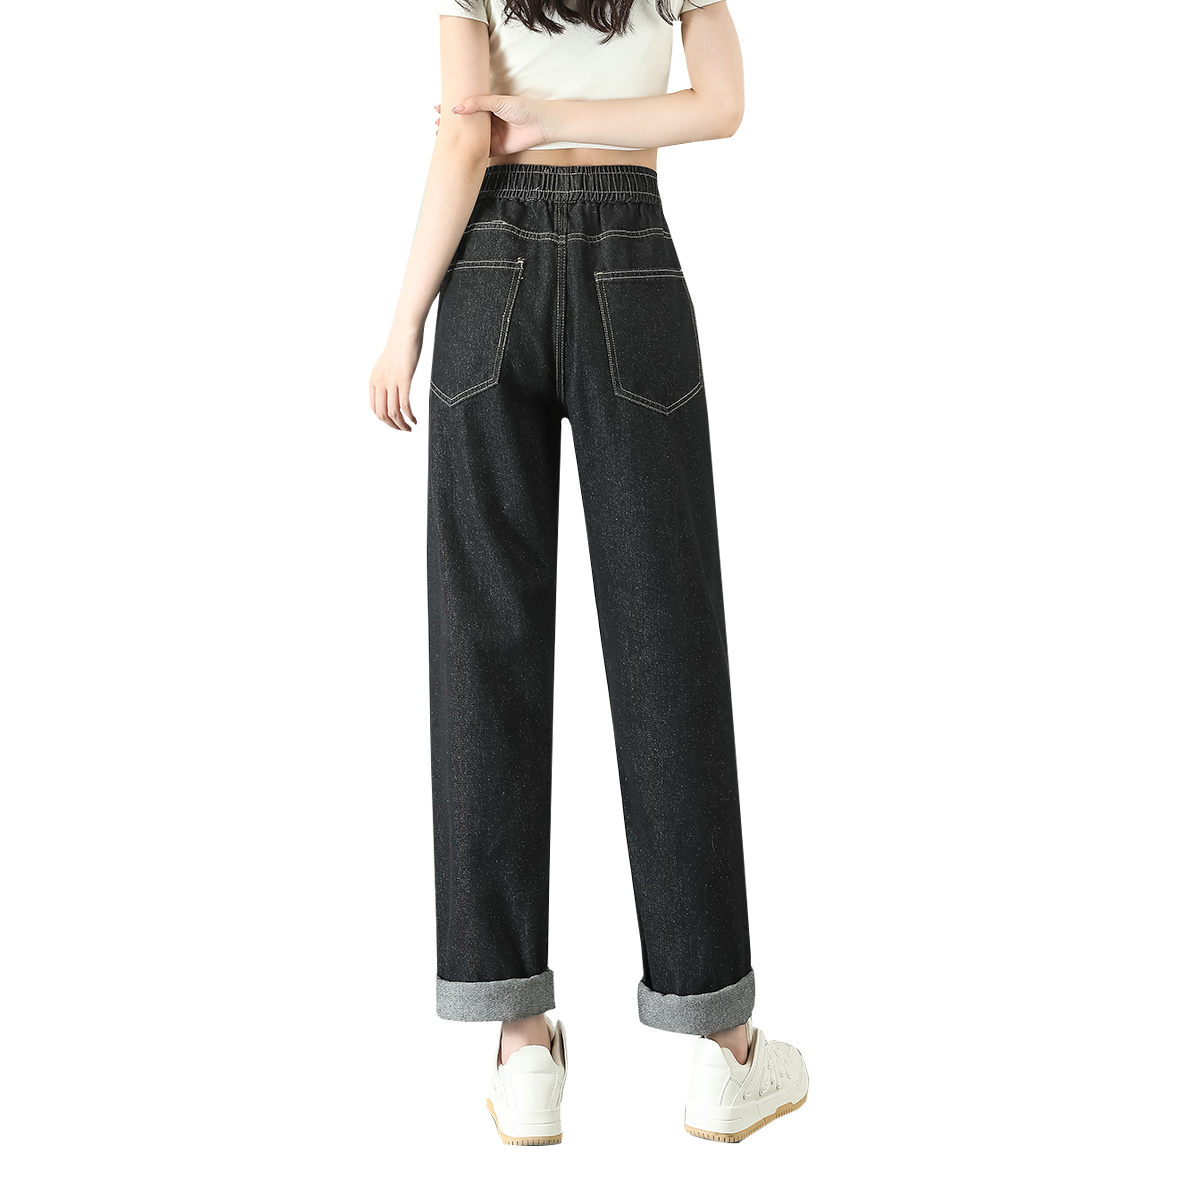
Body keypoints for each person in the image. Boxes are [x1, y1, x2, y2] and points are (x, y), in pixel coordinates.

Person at [368, 0, 808, 1144]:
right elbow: (722, 105)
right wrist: (581, 119)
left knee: (484, 642)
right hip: (633, 267)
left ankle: (520, 1046)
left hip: (489, 274)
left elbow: (464, 135)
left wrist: (405, 318)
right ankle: (723, 1050)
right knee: (667, 641)